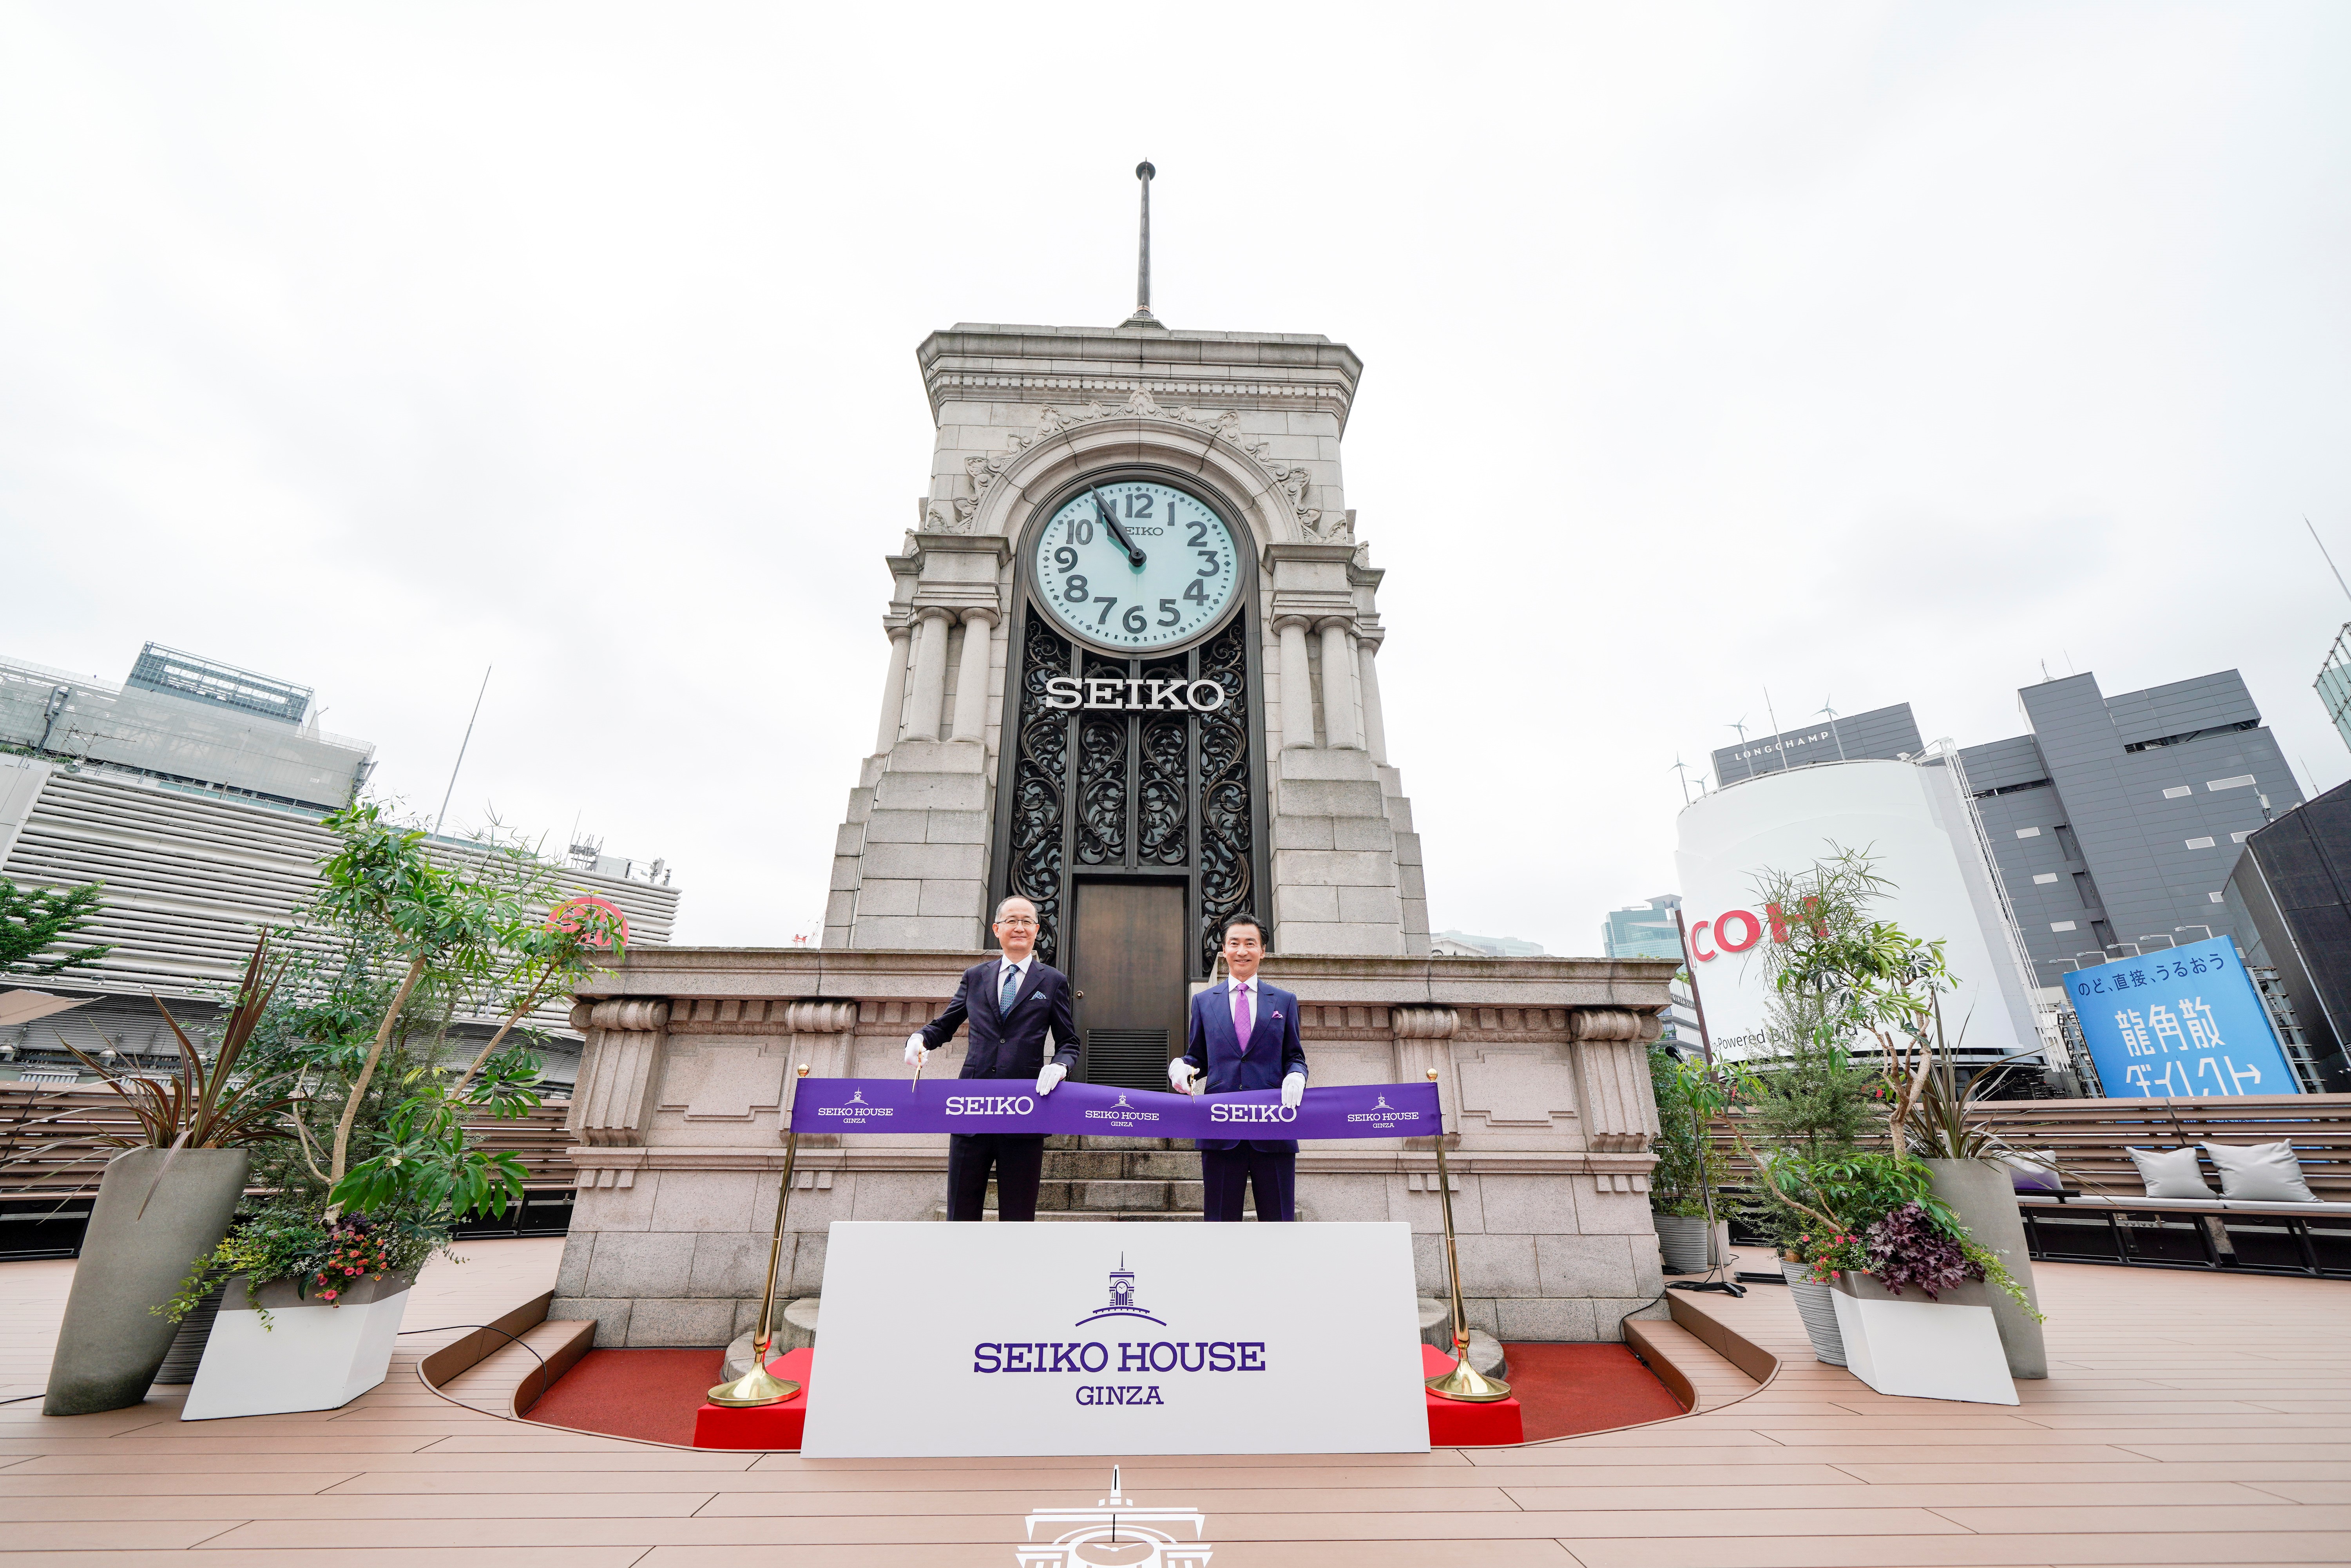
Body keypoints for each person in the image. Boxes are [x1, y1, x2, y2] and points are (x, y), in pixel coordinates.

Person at [903, 894, 1078, 1221]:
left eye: (1027, 921)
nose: (1020, 927)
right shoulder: (975, 977)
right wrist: (920, 1039)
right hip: (971, 1108)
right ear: (997, 929)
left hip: (1025, 1109)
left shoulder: (1053, 981)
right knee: (962, 1213)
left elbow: (1069, 1041)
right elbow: (945, 1025)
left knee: (1018, 1215)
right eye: (1012, 920)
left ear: (1037, 930)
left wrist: (1060, 1065)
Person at [1170, 913, 1308, 1222]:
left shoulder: (1284, 1001)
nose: (1242, 951)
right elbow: (1198, 1058)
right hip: (1220, 1128)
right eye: (1235, 943)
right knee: (1220, 1224)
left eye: (1250, 943)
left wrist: (1297, 1075)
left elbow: (1295, 1056)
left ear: (1263, 951)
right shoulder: (1204, 1002)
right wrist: (1181, 1068)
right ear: (1224, 950)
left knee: (1279, 1225)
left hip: (1274, 1126)